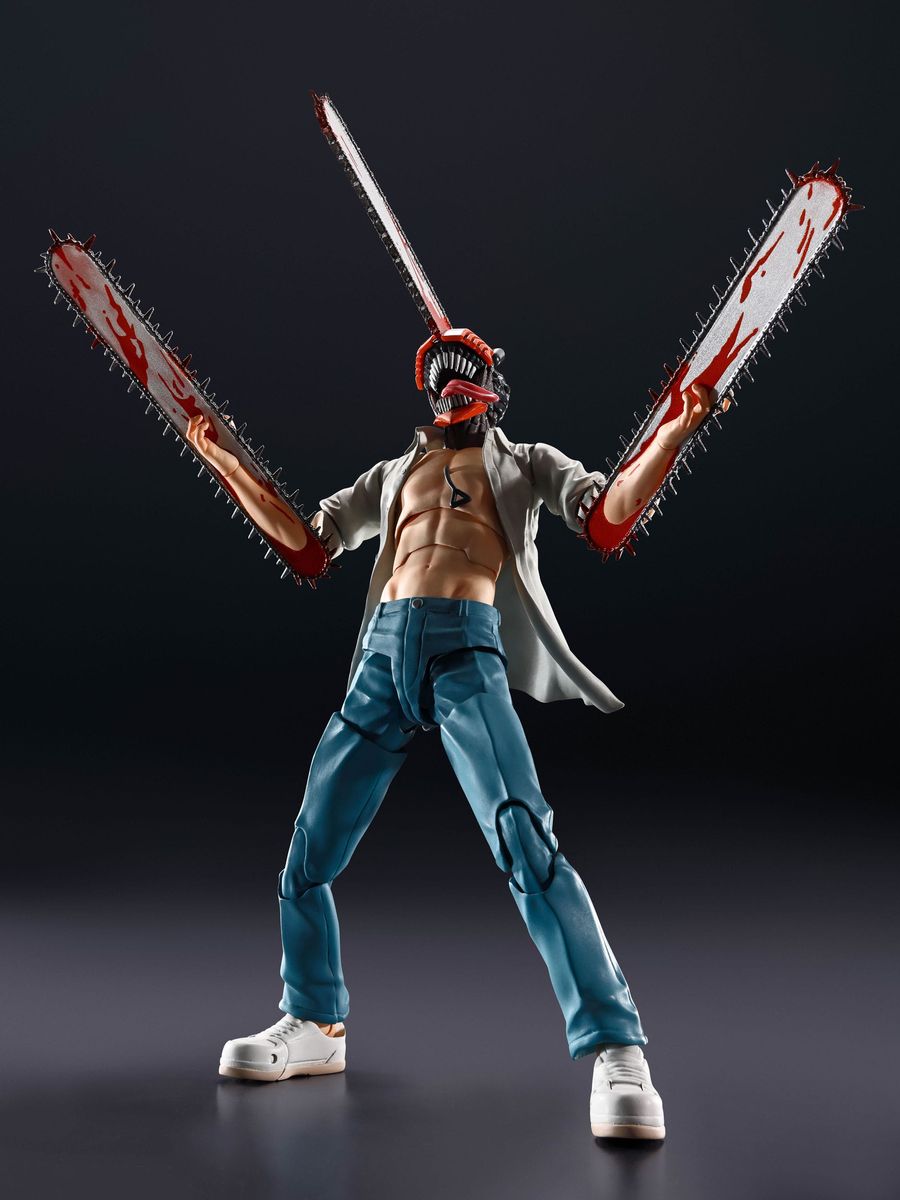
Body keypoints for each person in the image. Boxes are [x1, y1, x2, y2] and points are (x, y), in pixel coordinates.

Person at [187, 327, 712, 1139]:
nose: (448, 382)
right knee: (309, 849)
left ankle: (617, 1046)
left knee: (526, 840)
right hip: (383, 654)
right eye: (437, 372)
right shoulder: (394, 472)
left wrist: (674, 431)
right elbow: (309, 547)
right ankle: (315, 1019)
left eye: (464, 370)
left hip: (466, 650)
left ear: (494, 386)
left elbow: (607, 519)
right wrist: (225, 462)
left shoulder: (525, 463)